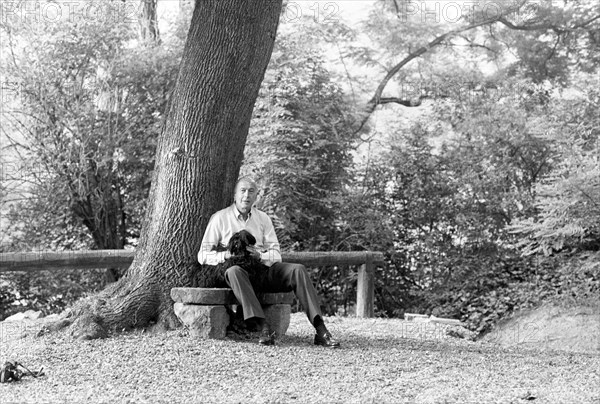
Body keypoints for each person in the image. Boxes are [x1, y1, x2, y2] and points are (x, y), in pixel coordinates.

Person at [198, 177, 340, 347]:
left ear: (256, 196)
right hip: (236, 272)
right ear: (234, 195)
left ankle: (321, 329)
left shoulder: (263, 218)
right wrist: (226, 256)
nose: (246, 195)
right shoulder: (220, 218)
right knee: (234, 271)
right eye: (242, 190)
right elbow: (203, 255)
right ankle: (262, 327)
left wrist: (260, 256)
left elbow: (276, 253)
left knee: (298, 269)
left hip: (260, 268)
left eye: (251, 191)